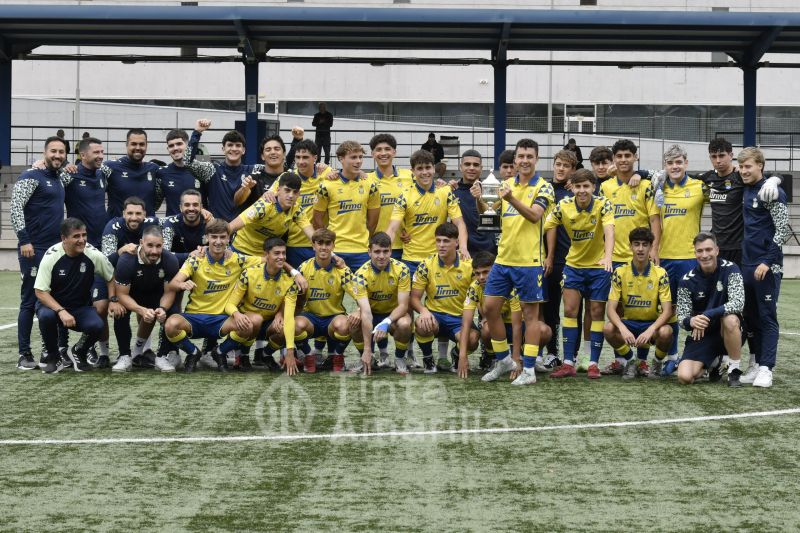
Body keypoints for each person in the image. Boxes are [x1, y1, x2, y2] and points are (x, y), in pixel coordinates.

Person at [481, 139, 554, 384]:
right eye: (520, 156)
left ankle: (529, 370)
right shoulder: (506, 184)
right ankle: (504, 360)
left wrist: (511, 198)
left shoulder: (545, 187)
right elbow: (491, 214)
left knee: (530, 316)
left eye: (529, 156)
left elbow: (535, 215)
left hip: (529, 262)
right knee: (489, 308)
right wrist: (478, 199)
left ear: (536, 159)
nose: (524, 160)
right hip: (503, 260)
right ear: (515, 160)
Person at [164, 219, 260, 372]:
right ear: (207, 238)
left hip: (221, 320)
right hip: (194, 317)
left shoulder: (238, 260)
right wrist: (183, 284)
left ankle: (220, 352)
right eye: (214, 237)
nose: (218, 241)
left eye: (222, 237)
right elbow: (173, 283)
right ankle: (193, 353)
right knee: (170, 325)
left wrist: (294, 273)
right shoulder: (196, 259)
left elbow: (268, 261)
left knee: (248, 326)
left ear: (229, 238)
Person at [545, 169, 615, 380]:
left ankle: (592, 361)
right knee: (569, 310)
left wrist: (608, 256)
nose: (582, 190)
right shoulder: (563, 206)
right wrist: (547, 255)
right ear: (572, 188)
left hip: (598, 267)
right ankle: (568, 362)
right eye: (578, 186)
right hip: (573, 266)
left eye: (586, 186)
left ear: (593, 187)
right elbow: (547, 225)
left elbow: (610, 229)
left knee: (595, 312)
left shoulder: (604, 204)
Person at [34, 218, 119, 373]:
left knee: (97, 325)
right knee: (46, 317)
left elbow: (110, 277)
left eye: (84, 235)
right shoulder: (51, 256)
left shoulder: (94, 255)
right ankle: (54, 356)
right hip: (53, 307)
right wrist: (61, 311)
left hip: (80, 307)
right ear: (63, 239)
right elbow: (40, 291)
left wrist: (113, 299)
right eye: (76, 236)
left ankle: (79, 351)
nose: (82, 240)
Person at [12, 136, 67, 370]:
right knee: (29, 301)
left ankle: (54, 350)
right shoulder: (30, 176)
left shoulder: (60, 178)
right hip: (33, 250)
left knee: (57, 300)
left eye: (61, 152)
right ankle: (24, 354)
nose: (57, 155)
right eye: (53, 151)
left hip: (55, 250)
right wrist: (24, 240)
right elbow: (15, 207)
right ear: (44, 153)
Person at [738, 147, 789, 388]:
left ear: (760, 165)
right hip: (746, 264)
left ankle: (767, 368)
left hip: (766, 266)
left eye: (748, 166)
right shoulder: (745, 189)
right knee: (750, 317)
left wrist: (767, 262)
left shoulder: (772, 192)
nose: (743, 171)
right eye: (741, 167)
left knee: (767, 317)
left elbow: (783, 231)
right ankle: (757, 363)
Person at [215, 237, 303, 373]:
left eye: (283, 253)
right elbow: (230, 304)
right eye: (277, 253)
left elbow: (290, 316)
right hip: (247, 322)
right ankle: (232, 353)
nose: (281, 257)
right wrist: (237, 314)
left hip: (269, 323)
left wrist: (289, 351)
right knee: (256, 319)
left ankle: (265, 355)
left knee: (285, 326)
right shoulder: (249, 273)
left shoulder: (289, 282)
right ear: (266, 255)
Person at [657, 145, 708, 371]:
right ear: (665, 166)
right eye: (670, 163)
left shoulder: (700, 187)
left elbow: (727, 189)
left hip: (690, 258)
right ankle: (671, 356)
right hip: (664, 258)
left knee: (695, 311)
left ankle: (699, 357)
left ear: (686, 163)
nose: (675, 166)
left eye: (679, 162)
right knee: (669, 310)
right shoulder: (657, 187)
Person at [293, 229, 372, 373]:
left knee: (346, 324)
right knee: (294, 324)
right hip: (311, 318)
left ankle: (337, 356)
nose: (323, 247)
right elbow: (291, 297)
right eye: (320, 243)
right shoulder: (303, 268)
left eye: (327, 243)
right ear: (313, 246)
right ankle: (309, 355)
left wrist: (359, 310)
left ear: (333, 246)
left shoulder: (342, 271)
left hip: (333, 318)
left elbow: (360, 295)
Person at [385, 149, 469, 276]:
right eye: (420, 168)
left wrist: (463, 247)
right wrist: (385, 250)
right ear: (412, 171)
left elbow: (459, 223)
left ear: (434, 168)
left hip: (438, 259)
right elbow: (392, 228)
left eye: (428, 167)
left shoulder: (445, 192)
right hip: (411, 260)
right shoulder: (405, 196)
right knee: (410, 297)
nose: (424, 172)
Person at [603, 227, 673, 379]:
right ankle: (631, 360)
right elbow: (610, 309)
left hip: (651, 326)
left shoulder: (660, 273)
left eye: (644, 244)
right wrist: (622, 328)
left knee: (666, 331)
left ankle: (656, 363)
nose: (640, 249)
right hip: (630, 324)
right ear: (630, 246)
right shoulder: (620, 272)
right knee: (608, 328)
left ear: (650, 247)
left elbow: (667, 311)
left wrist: (651, 329)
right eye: (636, 244)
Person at [676, 232, 744, 387]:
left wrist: (707, 314)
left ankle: (734, 371)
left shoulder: (731, 269)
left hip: (728, 330)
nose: (704, 255)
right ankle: (713, 364)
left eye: (708, 250)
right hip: (703, 333)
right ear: (695, 253)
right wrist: (691, 321)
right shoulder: (686, 280)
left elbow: (738, 303)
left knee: (730, 319)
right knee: (685, 377)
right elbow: (681, 316)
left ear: (717, 250)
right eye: (700, 251)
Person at [112, 225, 181, 372]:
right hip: (131, 296)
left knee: (172, 311)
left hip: (157, 295)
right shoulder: (126, 260)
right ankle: (124, 355)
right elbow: (122, 294)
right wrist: (140, 310)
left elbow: (169, 292)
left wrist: (162, 309)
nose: (154, 251)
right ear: (141, 242)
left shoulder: (170, 260)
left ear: (163, 244)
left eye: (158, 246)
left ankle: (159, 356)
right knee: (120, 311)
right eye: (150, 245)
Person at [411, 222, 478, 374]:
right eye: (438, 241)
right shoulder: (426, 265)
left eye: (446, 241)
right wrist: (423, 311)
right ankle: (428, 359)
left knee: (473, 338)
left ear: (456, 242)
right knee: (421, 323)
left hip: (459, 319)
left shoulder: (469, 266)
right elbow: (414, 298)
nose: (441, 245)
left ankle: (456, 355)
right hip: (435, 317)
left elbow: (479, 296)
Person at [459, 251, 533, 380]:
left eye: (486, 272)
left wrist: (516, 360)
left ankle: (527, 358)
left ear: (495, 269)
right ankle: (493, 358)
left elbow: (517, 326)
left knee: (544, 331)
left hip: (516, 328)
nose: (481, 277)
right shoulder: (474, 288)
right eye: (477, 273)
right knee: (486, 329)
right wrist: (462, 356)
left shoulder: (510, 287)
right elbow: (466, 323)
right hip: (496, 328)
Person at [312, 140, 380, 271]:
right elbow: (317, 220)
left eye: (360, 157)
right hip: (335, 250)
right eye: (353, 157)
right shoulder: (326, 185)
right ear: (341, 159)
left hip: (361, 250)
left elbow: (372, 222)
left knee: (360, 291)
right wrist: (328, 242)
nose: (358, 161)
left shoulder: (370, 185)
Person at [352, 232, 413, 374]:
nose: (381, 256)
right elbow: (366, 312)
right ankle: (368, 357)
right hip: (372, 314)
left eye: (386, 251)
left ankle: (399, 358)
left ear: (391, 251)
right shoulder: (360, 275)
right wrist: (367, 349)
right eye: (377, 251)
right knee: (353, 322)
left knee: (405, 324)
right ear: (369, 252)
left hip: (394, 316)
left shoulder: (402, 270)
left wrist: (387, 321)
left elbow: (403, 306)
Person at [183, 118, 265, 222]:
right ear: (223, 149)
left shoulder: (253, 170)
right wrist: (197, 132)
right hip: (217, 232)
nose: (234, 149)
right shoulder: (212, 170)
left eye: (238, 145)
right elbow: (187, 161)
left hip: (243, 234)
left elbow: (279, 167)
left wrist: (293, 142)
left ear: (243, 150)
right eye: (230, 145)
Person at [542, 149, 577, 370]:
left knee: (573, 309)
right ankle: (552, 352)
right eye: (558, 164)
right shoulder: (543, 189)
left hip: (573, 259)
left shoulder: (577, 191)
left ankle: (571, 354)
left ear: (573, 170)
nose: (561, 168)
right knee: (550, 307)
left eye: (566, 165)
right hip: (547, 258)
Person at [229, 173, 313, 257]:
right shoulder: (264, 206)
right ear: (278, 190)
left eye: (295, 192)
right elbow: (230, 227)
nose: (291, 195)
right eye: (287, 190)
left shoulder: (297, 210)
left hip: (263, 257)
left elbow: (312, 236)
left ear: (298, 194)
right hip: (240, 250)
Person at [366, 133, 414, 259]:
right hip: (376, 247)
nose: (383, 153)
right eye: (378, 150)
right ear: (372, 154)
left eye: (387, 149)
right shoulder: (365, 180)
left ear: (394, 152)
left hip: (404, 245)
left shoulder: (409, 176)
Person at [102, 128, 163, 218]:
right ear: (127, 145)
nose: (138, 148)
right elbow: (88, 173)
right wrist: (74, 168)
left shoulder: (154, 169)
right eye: (134, 144)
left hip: (147, 229)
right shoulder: (109, 167)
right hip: (119, 229)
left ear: (146, 145)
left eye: (141, 144)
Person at [64, 137, 108, 248]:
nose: (101, 156)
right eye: (96, 152)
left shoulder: (102, 174)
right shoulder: (70, 175)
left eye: (102, 152)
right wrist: (40, 162)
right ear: (82, 155)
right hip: (79, 242)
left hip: (102, 241)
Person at [453, 149, 497, 256]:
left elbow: (491, 219)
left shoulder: (491, 190)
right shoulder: (453, 191)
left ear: (481, 168)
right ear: (461, 167)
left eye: (476, 165)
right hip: (464, 251)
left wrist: (479, 198)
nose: (471, 168)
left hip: (488, 251)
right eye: (467, 164)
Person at [235, 134, 286, 213]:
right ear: (262, 156)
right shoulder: (254, 178)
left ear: (284, 154)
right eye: (268, 149)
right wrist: (245, 189)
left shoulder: (291, 176)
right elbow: (237, 202)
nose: (273, 152)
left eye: (277, 149)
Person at [157, 129, 198, 217]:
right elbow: (155, 204)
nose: (175, 148)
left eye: (179, 144)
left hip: (198, 227)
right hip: (172, 228)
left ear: (188, 145)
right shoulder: (162, 173)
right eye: (171, 146)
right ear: (168, 149)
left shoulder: (201, 171)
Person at [161, 189, 208, 265]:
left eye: (195, 205)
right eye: (187, 205)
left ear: (201, 207)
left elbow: (224, 249)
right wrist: (189, 255)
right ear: (180, 207)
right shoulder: (171, 223)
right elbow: (164, 254)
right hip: (178, 267)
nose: (191, 209)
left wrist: (208, 250)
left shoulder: (209, 223)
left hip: (204, 268)